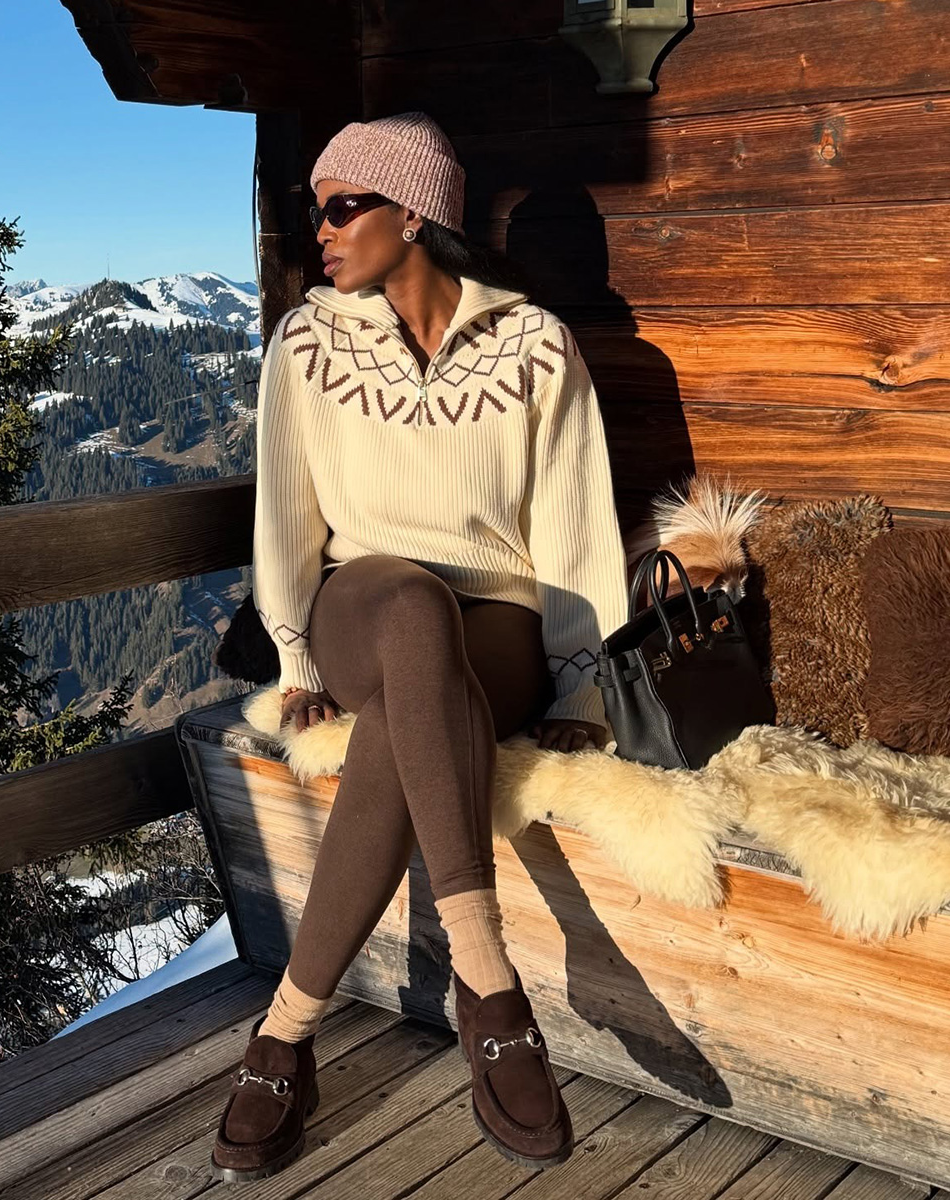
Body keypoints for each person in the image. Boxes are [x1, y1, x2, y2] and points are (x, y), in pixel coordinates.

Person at [211, 111, 629, 1183]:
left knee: (413, 708)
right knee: (405, 613)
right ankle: (487, 978)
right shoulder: (306, 343)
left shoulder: (537, 348)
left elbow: (573, 520)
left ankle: (284, 1035)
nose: (323, 232)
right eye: (317, 211)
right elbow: (286, 515)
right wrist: (297, 660)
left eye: (344, 207)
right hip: (367, 599)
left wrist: (579, 677)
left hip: (500, 620)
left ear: (416, 213)